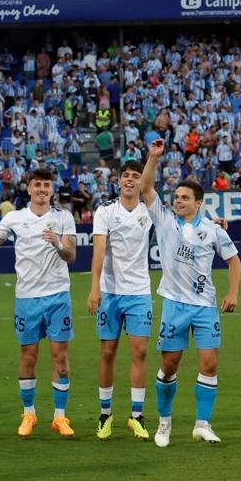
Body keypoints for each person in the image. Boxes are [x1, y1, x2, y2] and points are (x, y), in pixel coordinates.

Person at [141, 139, 241, 447]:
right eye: (177, 197)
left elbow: (234, 260)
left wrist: (233, 292)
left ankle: (202, 423)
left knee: (209, 363)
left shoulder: (213, 230)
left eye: (185, 198)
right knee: (169, 365)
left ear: (199, 202)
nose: (178, 201)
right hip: (174, 305)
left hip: (205, 307)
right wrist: (153, 158)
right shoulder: (165, 220)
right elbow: (146, 189)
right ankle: (164, 422)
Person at [0, 169, 78, 439]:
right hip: (26, 298)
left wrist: (58, 245)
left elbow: (71, 256)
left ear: (52, 189)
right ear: (28, 189)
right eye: (37, 185)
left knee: (60, 357)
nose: (41, 189)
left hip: (57, 296)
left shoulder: (63, 218)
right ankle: (28, 413)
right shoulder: (15, 217)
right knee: (28, 356)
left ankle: (60, 417)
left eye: (46, 185)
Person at [88, 160, 154, 440]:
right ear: (118, 181)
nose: (129, 180)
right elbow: (99, 250)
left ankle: (136, 416)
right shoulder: (105, 211)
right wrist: (95, 287)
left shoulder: (149, 210)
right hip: (111, 292)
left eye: (135, 176)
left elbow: (182, 220)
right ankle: (105, 414)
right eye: (125, 176)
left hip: (139, 292)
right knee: (107, 352)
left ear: (142, 181)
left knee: (139, 352)